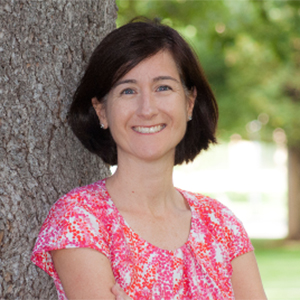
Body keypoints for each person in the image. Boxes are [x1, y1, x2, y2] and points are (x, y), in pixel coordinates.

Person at [31, 18, 267, 300]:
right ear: (102, 111)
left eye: (163, 88)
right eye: (128, 90)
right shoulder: (80, 220)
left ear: (189, 102)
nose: (147, 109)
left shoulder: (221, 226)